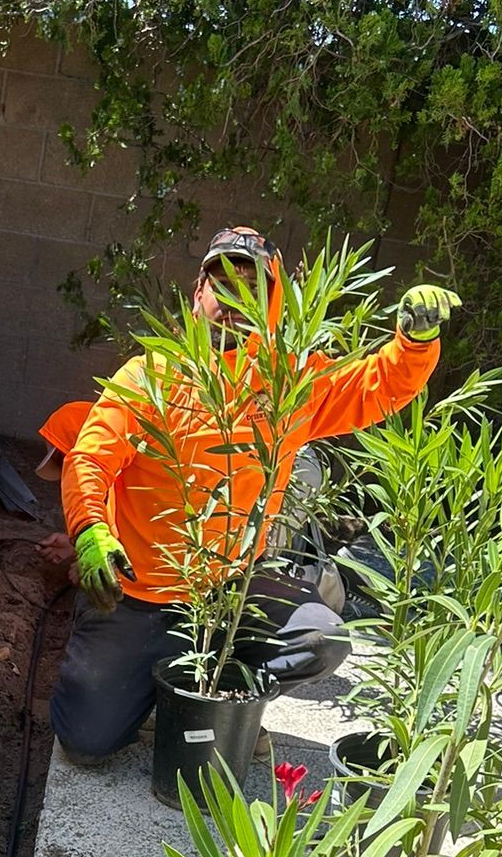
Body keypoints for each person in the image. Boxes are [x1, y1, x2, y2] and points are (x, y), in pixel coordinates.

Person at [49, 226, 459, 764]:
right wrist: (90, 530)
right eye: (224, 285)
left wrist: (413, 344)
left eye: (252, 289)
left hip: (228, 593)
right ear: (199, 293)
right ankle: (150, 686)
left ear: (271, 305)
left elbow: (372, 389)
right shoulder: (150, 376)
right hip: (140, 596)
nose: (234, 302)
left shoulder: (288, 384)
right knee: (85, 741)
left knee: (322, 639)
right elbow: (91, 458)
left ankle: (229, 700)